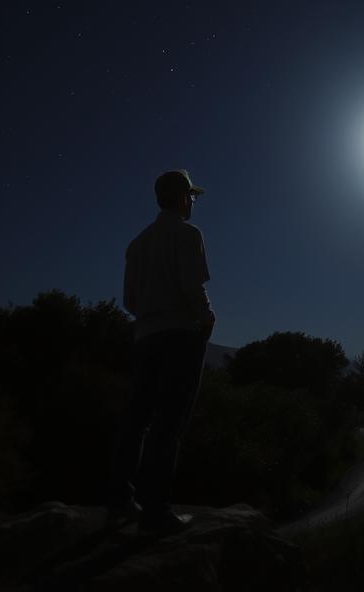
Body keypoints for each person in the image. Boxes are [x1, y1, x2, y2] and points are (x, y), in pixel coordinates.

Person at [105, 169, 216, 533]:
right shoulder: (188, 234)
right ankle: (156, 510)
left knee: (136, 420)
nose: (194, 202)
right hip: (181, 336)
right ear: (183, 197)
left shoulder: (138, 244)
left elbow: (129, 300)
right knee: (170, 423)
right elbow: (191, 286)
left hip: (145, 337)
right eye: (192, 196)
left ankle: (121, 501)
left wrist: (151, 316)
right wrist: (206, 317)